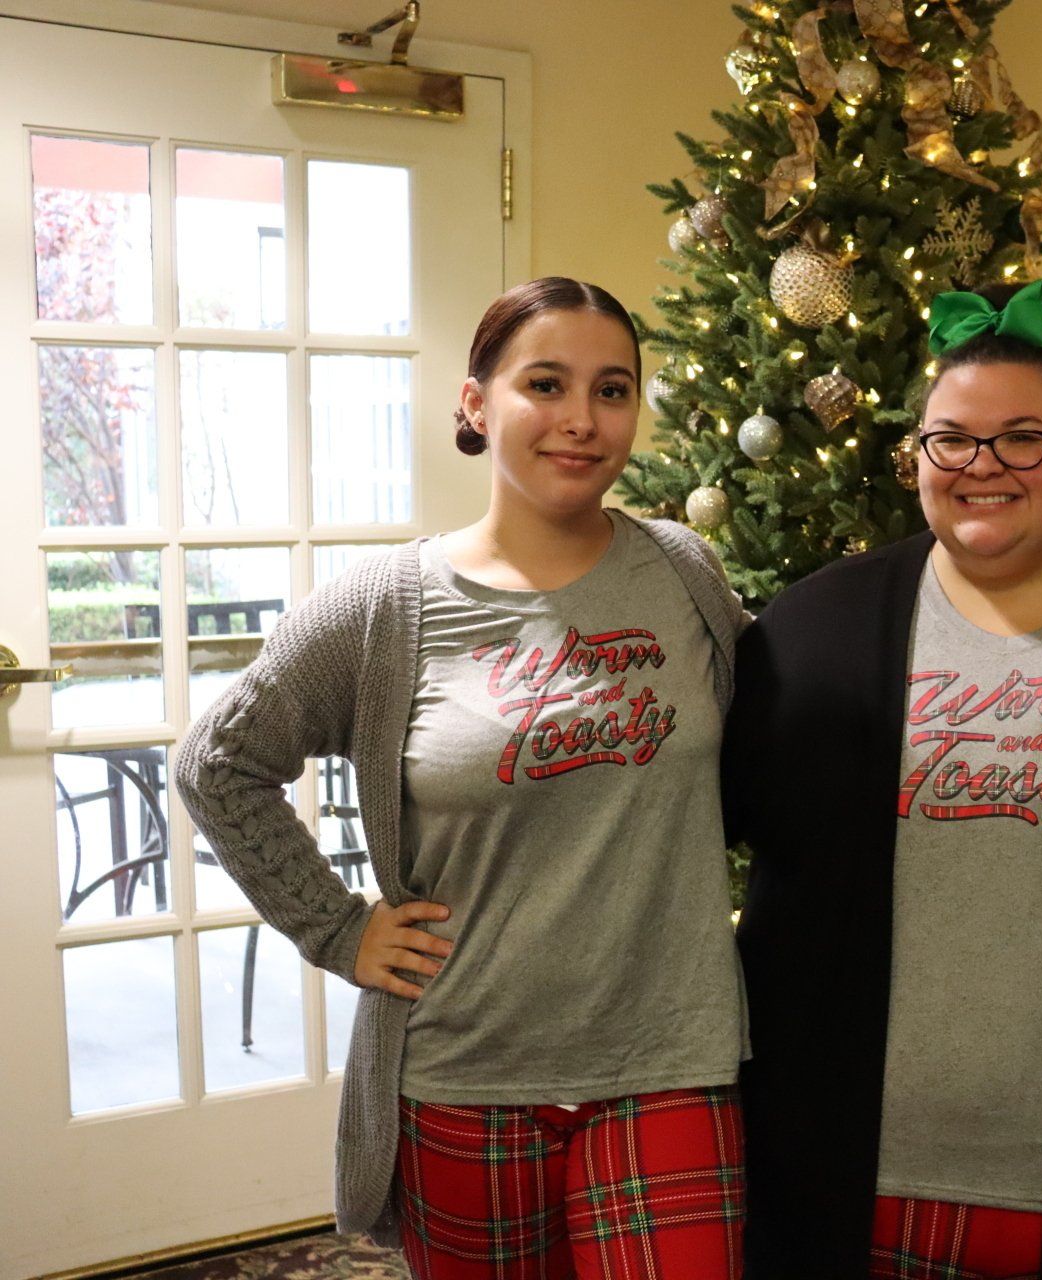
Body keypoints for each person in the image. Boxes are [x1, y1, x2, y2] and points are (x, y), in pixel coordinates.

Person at [175, 277, 751, 1280]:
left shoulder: (684, 573)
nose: (581, 418)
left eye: (612, 388)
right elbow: (216, 761)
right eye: (546, 382)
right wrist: (337, 926)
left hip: (669, 1056)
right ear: (478, 404)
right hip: (464, 1065)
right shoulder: (385, 605)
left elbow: (784, 752)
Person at [724, 280, 1042, 1279]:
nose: (983, 466)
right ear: (917, 451)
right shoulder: (813, 630)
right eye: (951, 438)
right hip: (846, 1167)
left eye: (1024, 437)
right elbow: (695, 835)